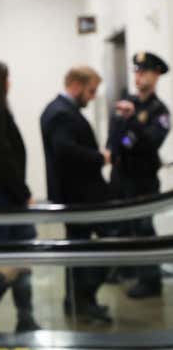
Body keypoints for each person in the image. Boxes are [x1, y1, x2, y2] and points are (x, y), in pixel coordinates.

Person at [40, 66, 112, 324]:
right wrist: (99, 157)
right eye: (91, 90)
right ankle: (83, 302)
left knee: (79, 249)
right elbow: (66, 150)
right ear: (75, 84)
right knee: (93, 250)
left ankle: (79, 301)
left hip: (77, 196)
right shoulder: (62, 113)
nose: (92, 97)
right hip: (80, 198)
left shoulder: (57, 110)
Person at [0, 60, 40, 332]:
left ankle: (26, 318)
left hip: (4, 196)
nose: (10, 83)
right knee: (15, 261)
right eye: (7, 78)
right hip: (6, 199)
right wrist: (23, 192)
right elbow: (2, 158)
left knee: (21, 261)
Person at [106, 51, 170, 298]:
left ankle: (150, 280)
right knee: (120, 226)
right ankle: (125, 269)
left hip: (142, 178)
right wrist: (112, 147)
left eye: (144, 71)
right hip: (121, 174)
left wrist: (133, 122)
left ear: (156, 75)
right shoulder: (127, 103)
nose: (138, 76)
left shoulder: (158, 111)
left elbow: (150, 142)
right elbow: (116, 134)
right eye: (136, 71)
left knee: (143, 228)